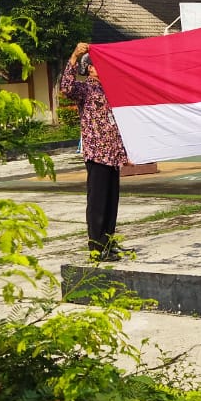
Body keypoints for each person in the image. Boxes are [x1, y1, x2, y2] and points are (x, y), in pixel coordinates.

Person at [62, 42, 131, 260]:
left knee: (112, 202)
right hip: (97, 154)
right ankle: (96, 247)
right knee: (98, 203)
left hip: (112, 154)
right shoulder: (86, 89)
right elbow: (66, 88)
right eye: (98, 65)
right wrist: (74, 56)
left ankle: (108, 242)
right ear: (90, 68)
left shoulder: (109, 89)